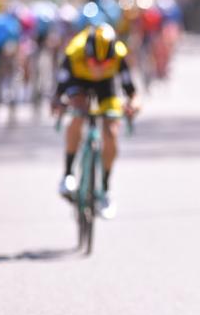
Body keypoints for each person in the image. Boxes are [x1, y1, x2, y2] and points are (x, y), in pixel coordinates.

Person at [52, 23, 140, 219]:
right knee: (77, 115)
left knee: (111, 131)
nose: (99, 68)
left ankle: (105, 190)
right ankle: (68, 174)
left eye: (105, 64)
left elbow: (132, 91)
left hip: (105, 88)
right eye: (94, 63)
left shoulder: (118, 54)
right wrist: (58, 102)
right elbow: (59, 90)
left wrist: (133, 105)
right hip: (78, 83)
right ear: (86, 55)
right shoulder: (74, 52)